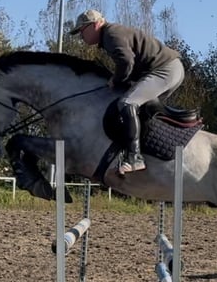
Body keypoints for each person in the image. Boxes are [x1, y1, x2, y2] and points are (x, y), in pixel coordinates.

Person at [69, 9, 184, 175]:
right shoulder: (110, 34)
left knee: (127, 103)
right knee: (141, 109)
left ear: (95, 25)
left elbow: (126, 62)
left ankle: (135, 158)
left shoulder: (111, 35)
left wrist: (115, 80)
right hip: (170, 68)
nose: (81, 36)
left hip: (165, 70)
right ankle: (148, 153)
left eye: (82, 31)